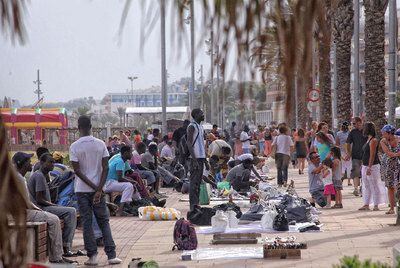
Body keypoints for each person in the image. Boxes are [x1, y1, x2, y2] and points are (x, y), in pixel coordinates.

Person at [70, 115, 121, 265]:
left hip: (81, 190)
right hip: (99, 189)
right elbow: (106, 167)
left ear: (78, 128)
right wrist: (98, 189)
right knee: (104, 221)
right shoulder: (100, 144)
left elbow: (77, 171)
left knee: (87, 222)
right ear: (91, 126)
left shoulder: (74, 146)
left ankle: (92, 257)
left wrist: (93, 187)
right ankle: (111, 256)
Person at [12, 152, 71, 263]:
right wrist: (38, 209)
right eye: (29, 162)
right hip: (21, 213)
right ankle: (56, 258)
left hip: (19, 211)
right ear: (23, 164)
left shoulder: (18, 177)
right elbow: (27, 202)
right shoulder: (19, 179)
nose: (31, 163)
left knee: (52, 217)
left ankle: (58, 255)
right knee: (54, 219)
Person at [27, 153, 77, 257]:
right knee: (71, 211)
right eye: (50, 162)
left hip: (45, 206)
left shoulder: (44, 175)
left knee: (69, 211)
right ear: (41, 162)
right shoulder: (39, 175)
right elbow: (39, 199)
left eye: (54, 162)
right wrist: (54, 205)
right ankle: (66, 247)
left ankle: (65, 246)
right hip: (41, 208)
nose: (52, 164)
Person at [358, 122, 386, 211]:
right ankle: (366, 204)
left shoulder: (373, 140)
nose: (363, 128)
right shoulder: (368, 139)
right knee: (366, 185)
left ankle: (376, 205)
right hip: (365, 165)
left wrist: (369, 167)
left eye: (365, 127)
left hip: (373, 166)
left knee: (374, 185)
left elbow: (372, 155)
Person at [105, 145, 138, 216]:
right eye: (130, 152)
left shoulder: (121, 160)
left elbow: (121, 177)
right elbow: (120, 178)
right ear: (125, 153)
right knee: (129, 186)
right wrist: (132, 182)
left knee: (131, 185)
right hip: (108, 183)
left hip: (111, 182)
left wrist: (132, 181)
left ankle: (135, 204)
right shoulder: (120, 161)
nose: (131, 154)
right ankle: (120, 211)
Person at [187, 108, 208, 211]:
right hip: (195, 158)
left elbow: (202, 145)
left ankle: (196, 203)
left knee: (198, 182)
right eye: (201, 113)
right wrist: (194, 160)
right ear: (195, 115)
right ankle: (193, 205)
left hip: (201, 157)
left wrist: (205, 159)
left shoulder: (200, 127)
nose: (203, 115)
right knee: (194, 182)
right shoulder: (192, 127)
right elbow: (189, 144)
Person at [380, 124, 400, 214]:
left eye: (384, 133)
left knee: (397, 185)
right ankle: (392, 208)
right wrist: (397, 154)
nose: (383, 135)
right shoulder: (383, 141)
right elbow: (388, 153)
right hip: (388, 165)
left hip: (398, 164)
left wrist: (395, 154)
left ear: (389, 133)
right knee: (390, 186)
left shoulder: (398, 139)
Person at [346, 116, 367, 196]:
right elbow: (348, 143)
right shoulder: (353, 132)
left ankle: (362, 188)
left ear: (360, 122)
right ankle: (355, 189)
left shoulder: (366, 131)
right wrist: (349, 153)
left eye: (355, 123)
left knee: (363, 173)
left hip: (365, 155)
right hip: (355, 155)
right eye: (353, 123)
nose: (354, 125)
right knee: (355, 172)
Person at [336, 121, 352, 186]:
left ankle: (346, 181)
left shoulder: (349, 133)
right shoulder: (340, 133)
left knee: (346, 166)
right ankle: (345, 180)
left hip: (346, 151)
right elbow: (337, 143)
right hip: (344, 151)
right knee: (345, 166)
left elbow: (337, 144)